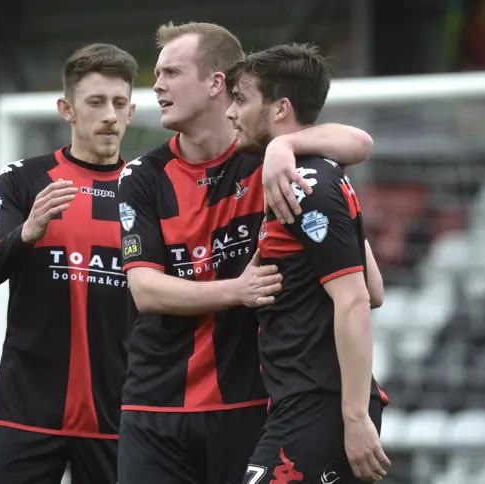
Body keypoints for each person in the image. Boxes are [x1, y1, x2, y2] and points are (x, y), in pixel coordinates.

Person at [116, 22, 376, 484]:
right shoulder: (142, 176)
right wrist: (238, 289)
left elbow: (359, 144)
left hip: (254, 402)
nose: (156, 86)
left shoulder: (272, 162)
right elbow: (144, 290)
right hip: (157, 404)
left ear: (217, 83)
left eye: (171, 72)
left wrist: (285, 144)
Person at [0, 43, 138, 484]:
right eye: (96, 102)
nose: (109, 115)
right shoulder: (24, 179)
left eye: (119, 103)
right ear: (67, 108)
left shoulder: (145, 190)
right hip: (26, 413)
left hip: (118, 416)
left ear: (132, 112)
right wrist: (26, 232)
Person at [224, 43, 390, 484]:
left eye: (240, 100)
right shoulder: (316, 172)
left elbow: (356, 300)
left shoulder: (306, 184)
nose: (230, 113)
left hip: (319, 404)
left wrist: (354, 418)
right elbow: (374, 289)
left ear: (280, 108)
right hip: (305, 402)